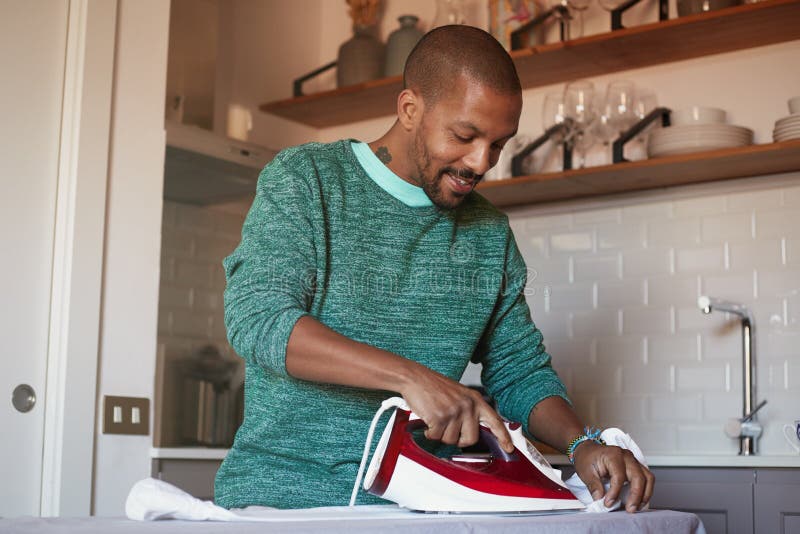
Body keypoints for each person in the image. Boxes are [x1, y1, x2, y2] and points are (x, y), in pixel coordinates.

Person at [214, 24, 654, 512]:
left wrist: (582, 443)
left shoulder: (488, 233)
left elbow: (519, 372)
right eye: (464, 135)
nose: (481, 161)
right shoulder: (307, 181)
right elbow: (259, 319)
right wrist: (412, 378)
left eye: (499, 144)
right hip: (284, 503)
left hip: (420, 509)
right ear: (409, 109)